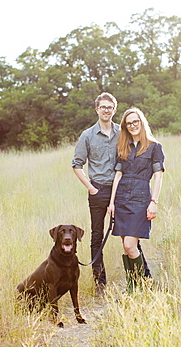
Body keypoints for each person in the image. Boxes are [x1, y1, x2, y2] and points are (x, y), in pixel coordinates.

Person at [71, 93, 151, 296]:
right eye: (102, 107)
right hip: (98, 190)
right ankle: (100, 282)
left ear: (114, 110)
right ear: (96, 109)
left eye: (110, 107)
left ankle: (143, 278)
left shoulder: (122, 132)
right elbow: (76, 164)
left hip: (123, 190)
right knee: (97, 237)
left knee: (130, 236)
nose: (106, 110)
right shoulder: (87, 135)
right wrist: (91, 188)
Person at [108, 107, 165, 293]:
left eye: (135, 122)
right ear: (125, 126)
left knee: (130, 245)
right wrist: (111, 203)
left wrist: (153, 202)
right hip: (122, 198)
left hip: (141, 199)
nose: (132, 125)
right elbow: (117, 175)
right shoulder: (122, 147)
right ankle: (134, 288)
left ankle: (140, 287)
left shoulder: (154, 146)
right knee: (126, 248)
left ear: (141, 122)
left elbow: (158, 176)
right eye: (128, 123)